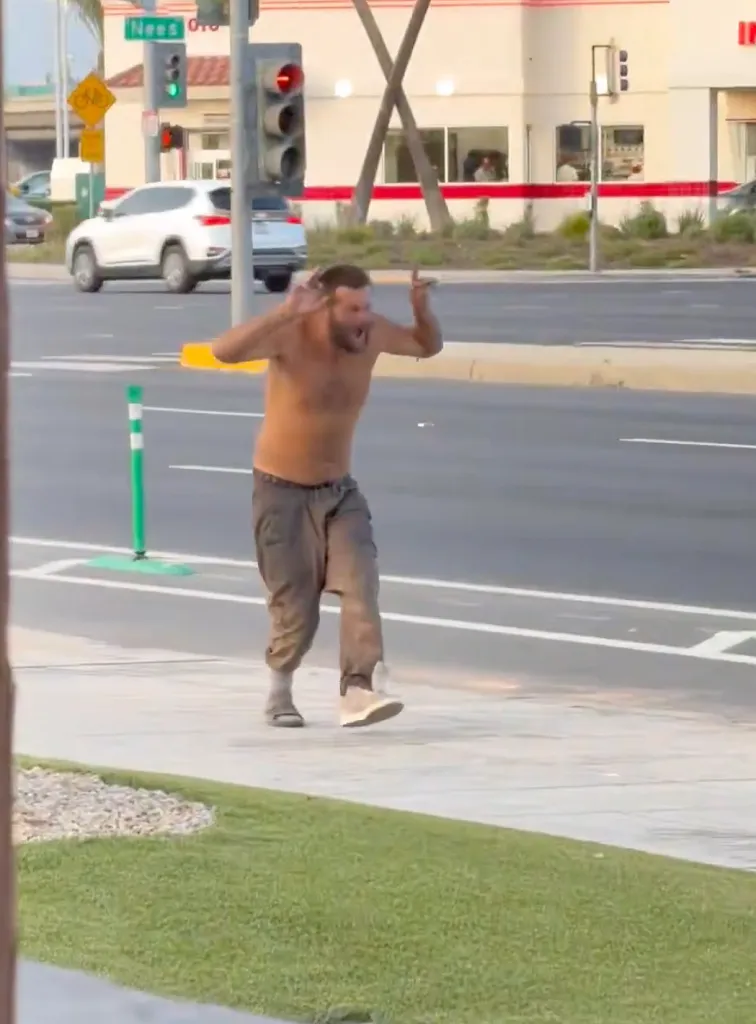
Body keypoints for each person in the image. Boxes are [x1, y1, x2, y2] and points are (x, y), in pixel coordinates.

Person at [211, 264, 443, 729]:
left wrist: (421, 311)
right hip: (280, 491)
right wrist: (284, 311)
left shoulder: (371, 335)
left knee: (361, 585)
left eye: (369, 307)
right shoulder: (292, 334)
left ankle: (357, 689)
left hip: (339, 492)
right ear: (326, 307)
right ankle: (279, 690)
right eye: (353, 309)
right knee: (296, 611)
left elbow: (426, 346)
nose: (364, 318)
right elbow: (223, 351)